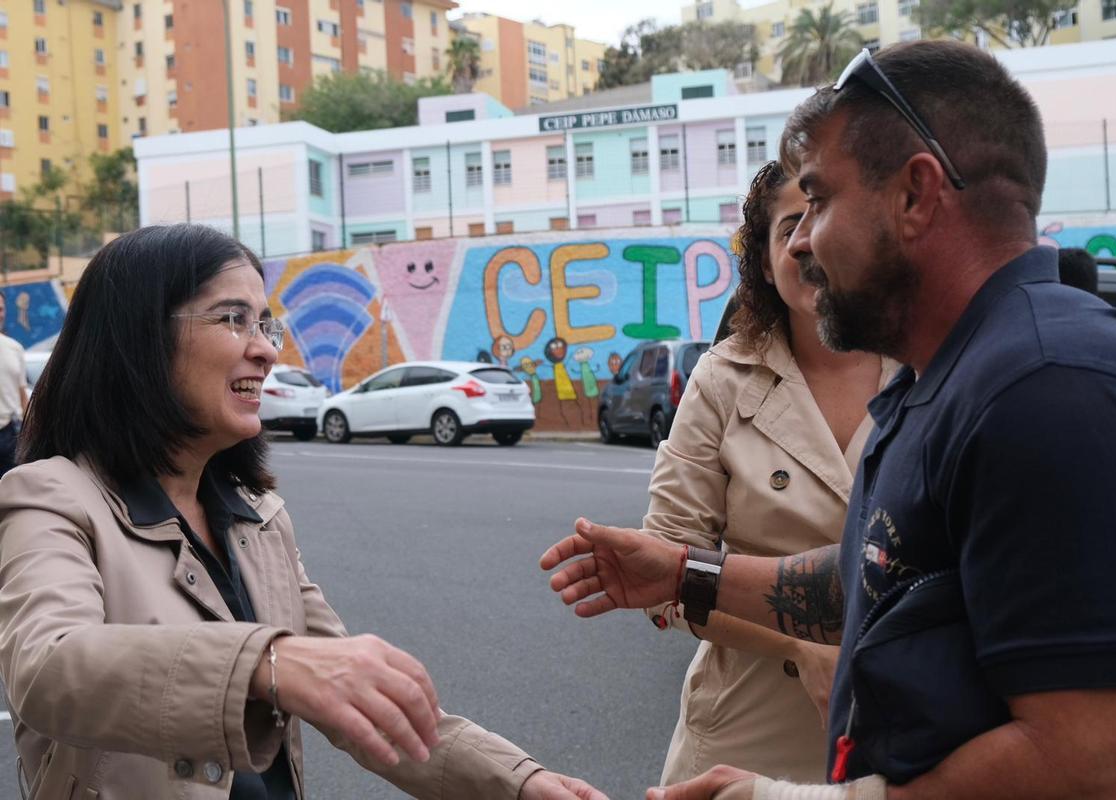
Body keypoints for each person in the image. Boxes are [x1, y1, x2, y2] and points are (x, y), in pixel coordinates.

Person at [542, 40, 1116, 800]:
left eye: (819, 200)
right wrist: (688, 571)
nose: (806, 242)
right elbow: (881, 575)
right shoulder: (944, 377)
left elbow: (1114, 767)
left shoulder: (1053, 391)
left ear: (916, 196)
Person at [0, 224, 605, 800]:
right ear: (138, 339)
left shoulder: (257, 517)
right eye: (234, 319)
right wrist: (270, 663)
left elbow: (361, 702)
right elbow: (48, 666)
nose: (265, 350)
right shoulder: (49, 497)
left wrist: (520, 784)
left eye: (266, 324)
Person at [584, 160, 896, 785]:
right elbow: (665, 577)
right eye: (788, 227)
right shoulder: (722, 379)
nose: (809, 240)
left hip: (905, 724)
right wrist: (800, 647)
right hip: (746, 729)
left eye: (828, 214)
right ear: (762, 258)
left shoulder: (929, 367)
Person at [0, 292, 27, 478]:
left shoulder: (14, 348)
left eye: (0, 309)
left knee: (14, 493)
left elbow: (22, 395)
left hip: (11, 434)